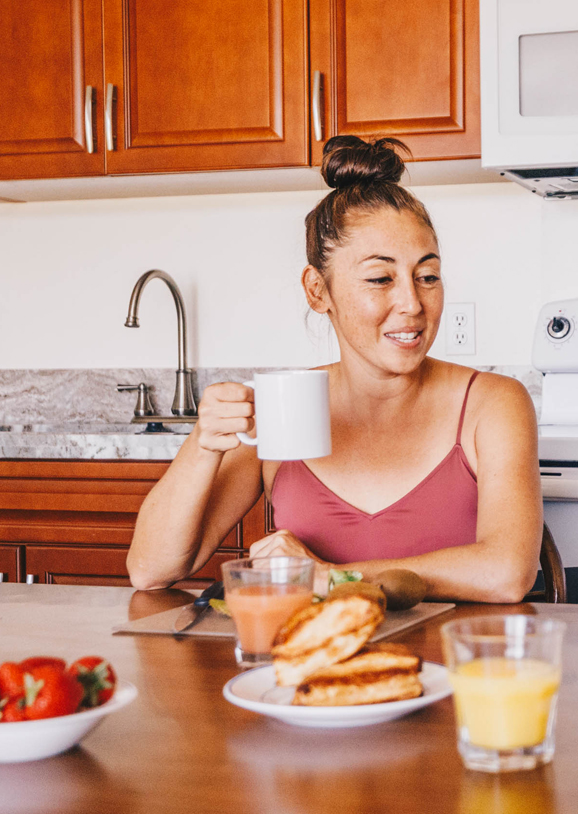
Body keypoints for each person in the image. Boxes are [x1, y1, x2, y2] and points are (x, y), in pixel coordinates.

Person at [127, 136, 541, 602]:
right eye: (380, 278)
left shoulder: (493, 403)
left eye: (427, 277)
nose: (411, 303)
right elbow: (151, 570)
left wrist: (328, 577)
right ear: (318, 290)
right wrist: (203, 445)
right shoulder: (281, 410)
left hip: (454, 671)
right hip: (312, 667)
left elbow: (507, 572)